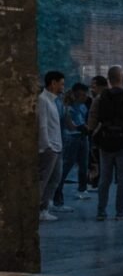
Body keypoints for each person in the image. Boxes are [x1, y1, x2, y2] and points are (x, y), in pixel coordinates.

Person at [89, 65, 123, 221]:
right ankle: (121, 211)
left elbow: (92, 121)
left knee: (105, 178)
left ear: (109, 79)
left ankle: (101, 211)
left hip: (105, 141)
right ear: (122, 78)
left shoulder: (100, 98)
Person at [52, 82, 91, 208]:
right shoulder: (66, 106)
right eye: (83, 95)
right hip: (71, 138)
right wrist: (80, 127)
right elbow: (69, 124)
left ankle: (82, 189)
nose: (85, 97)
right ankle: (57, 196)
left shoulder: (83, 106)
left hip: (82, 137)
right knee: (66, 166)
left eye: (86, 94)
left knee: (83, 164)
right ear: (76, 94)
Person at [38, 71, 65, 222]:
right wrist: (46, 145)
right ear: (53, 83)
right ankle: (38, 209)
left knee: (55, 179)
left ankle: (44, 208)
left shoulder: (53, 101)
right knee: (43, 180)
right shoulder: (43, 100)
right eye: (61, 84)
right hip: (50, 148)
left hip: (57, 147)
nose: (63, 87)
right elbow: (42, 125)